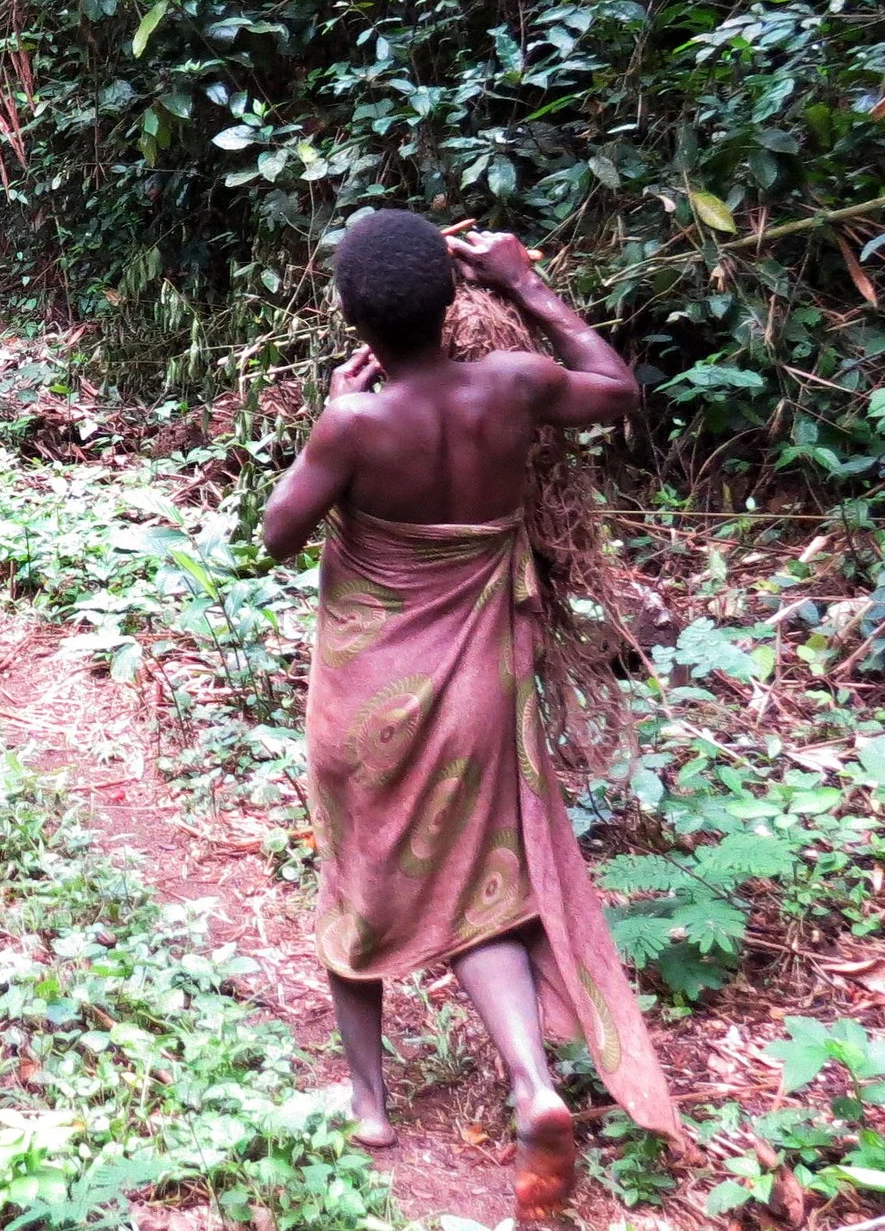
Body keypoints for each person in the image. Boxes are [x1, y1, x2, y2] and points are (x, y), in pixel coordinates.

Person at [258, 210, 681, 1221]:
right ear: (455, 300)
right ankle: (532, 1085)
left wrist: (332, 408)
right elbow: (617, 389)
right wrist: (528, 284)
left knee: (358, 872)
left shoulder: (355, 423)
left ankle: (370, 1105)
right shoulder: (515, 384)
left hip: (367, 691)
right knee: (482, 881)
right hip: (484, 680)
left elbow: (277, 532)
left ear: (351, 316)